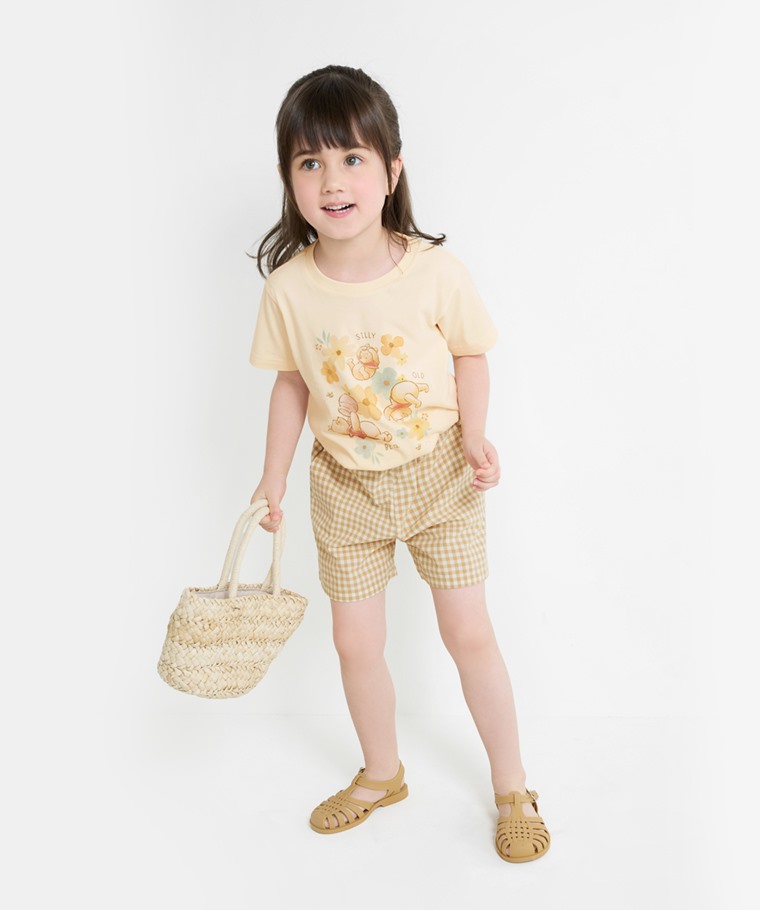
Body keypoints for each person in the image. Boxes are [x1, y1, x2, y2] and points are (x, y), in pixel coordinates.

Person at [247, 64, 550, 863]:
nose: (332, 180)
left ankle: (513, 784)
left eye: (352, 157)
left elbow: (472, 354)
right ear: (288, 179)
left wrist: (476, 435)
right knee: (355, 642)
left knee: (468, 632)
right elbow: (289, 384)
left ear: (391, 171)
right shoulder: (289, 289)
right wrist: (272, 477)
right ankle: (382, 773)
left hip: (440, 477)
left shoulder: (434, 271)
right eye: (310, 162)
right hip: (344, 485)